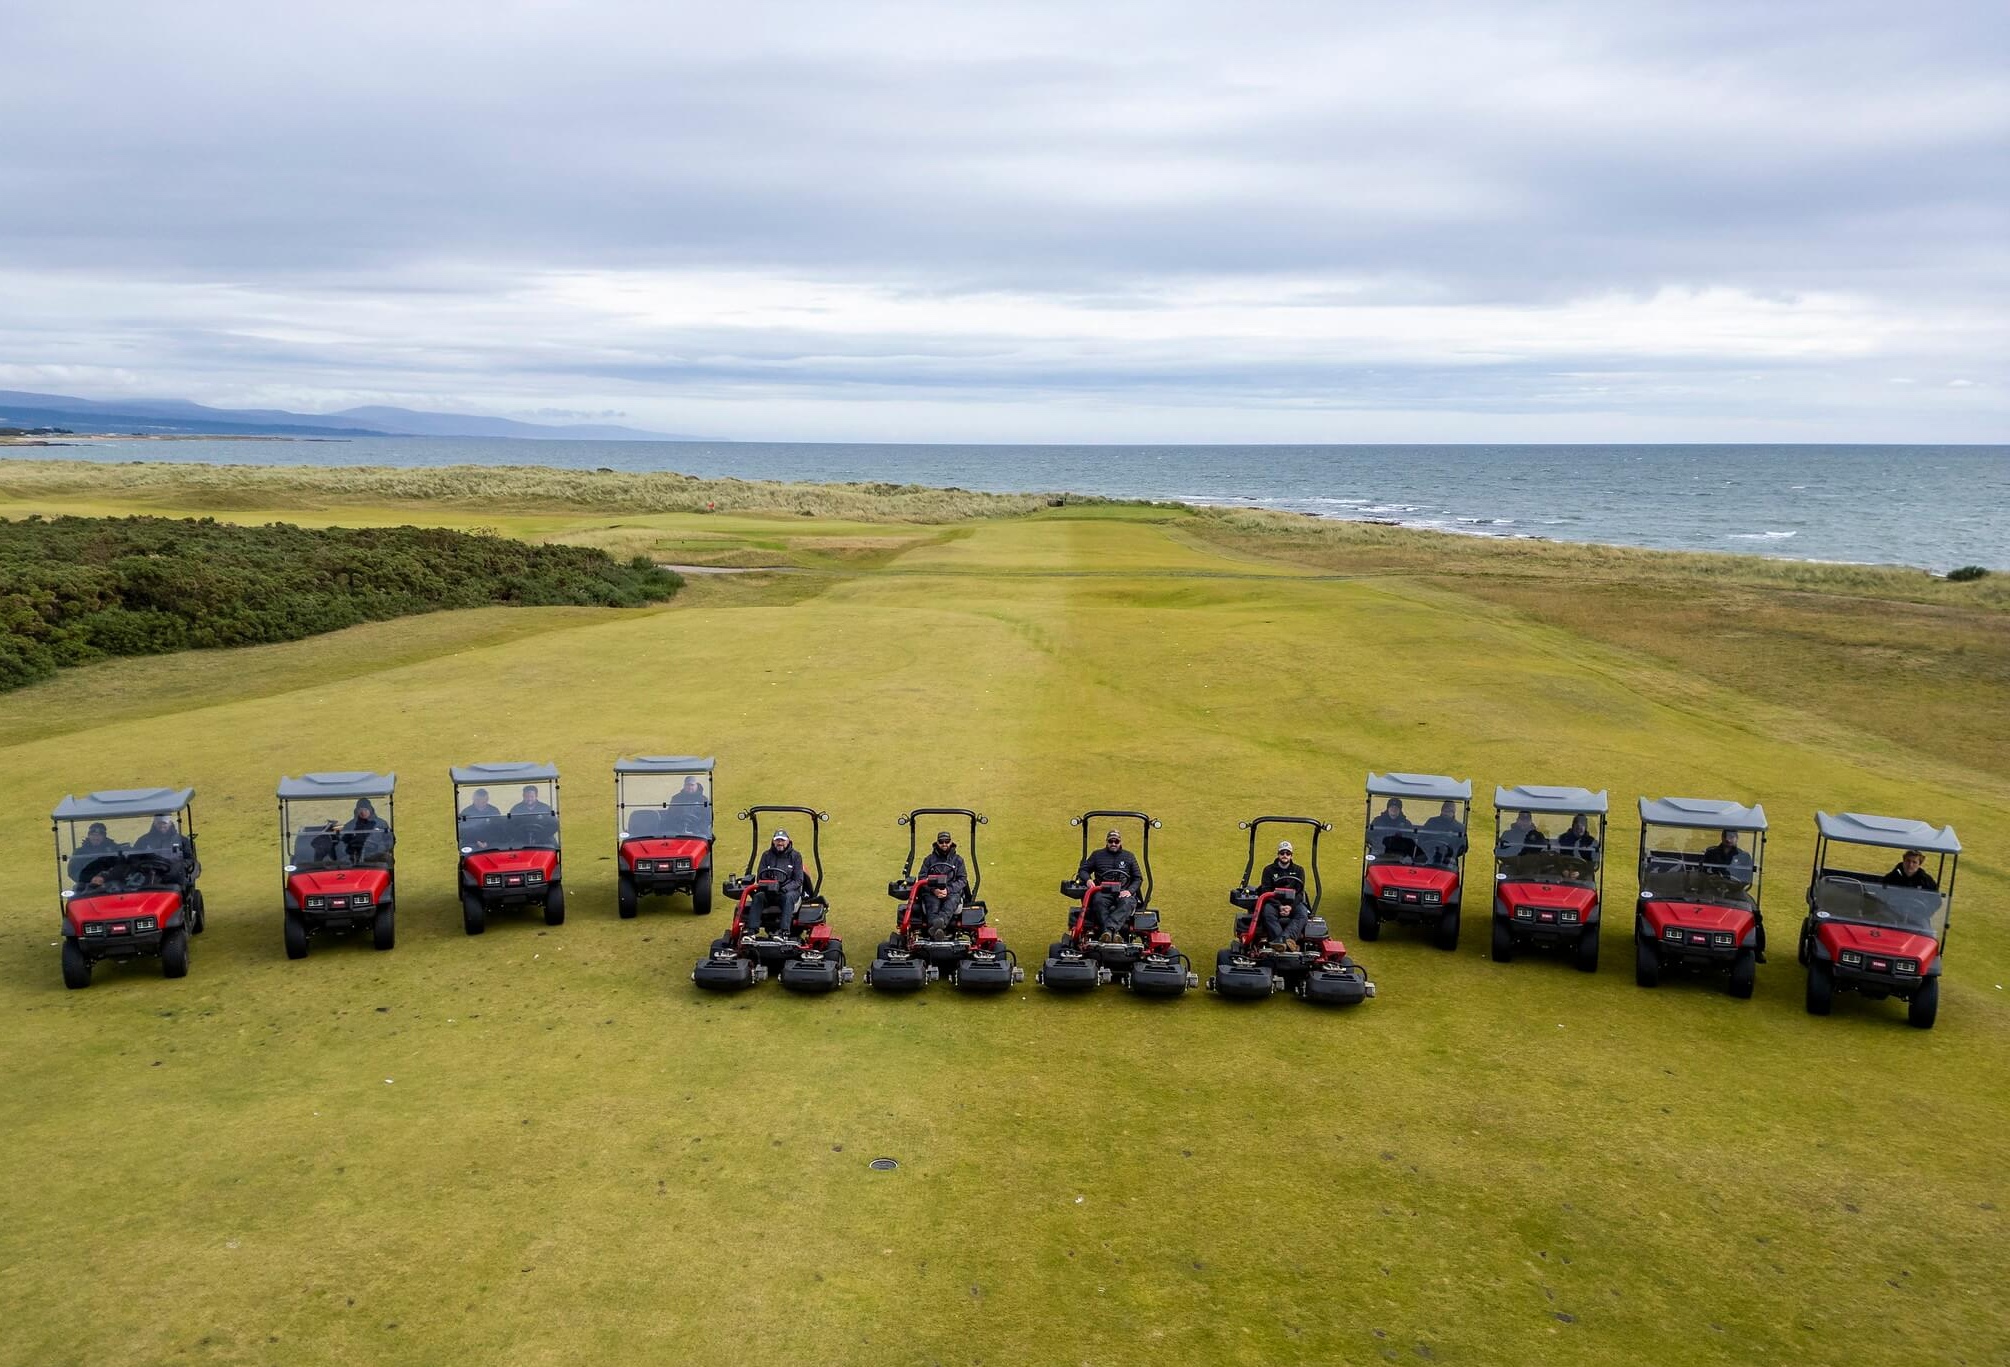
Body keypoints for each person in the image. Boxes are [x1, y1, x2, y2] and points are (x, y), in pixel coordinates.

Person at [1076, 827, 1143, 939]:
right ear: (1107, 842)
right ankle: (1114, 934)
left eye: (1116, 841)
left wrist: (1129, 891)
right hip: (1102, 891)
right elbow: (1083, 870)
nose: (1113, 844)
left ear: (1120, 842)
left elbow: (1138, 878)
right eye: (1111, 841)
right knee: (1098, 901)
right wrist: (1088, 880)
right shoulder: (1097, 855)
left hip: (1122, 892)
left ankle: (1108, 931)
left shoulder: (1129, 856)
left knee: (1127, 902)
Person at [747, 829, 810, 938]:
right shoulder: (766, 855)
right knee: (758, 897)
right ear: (773, 841)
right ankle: (751, 931)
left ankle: (784, 931)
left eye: (782, 840)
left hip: (788, 891)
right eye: (777, 840)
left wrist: (784, 888)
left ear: (788, 841)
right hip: (770, 891)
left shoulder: (795, 856)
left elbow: (798, 880)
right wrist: (769, 886)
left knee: (788, 898)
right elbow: (760, 876)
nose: (780, 843)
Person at [1256, 838, 1311, 949]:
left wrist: (1290, 907)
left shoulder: (1299, 870)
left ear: (1291, 855)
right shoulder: (1269, 870)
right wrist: (1280, 906)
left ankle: (1282, 941)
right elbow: (1266, 890)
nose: (1285, 855)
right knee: (1267, 913)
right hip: (1274, 902)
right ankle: (1287, 944)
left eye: (1288, 853)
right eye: (1282, 853)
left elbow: (1300, 892)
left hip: (1293, 903)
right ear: (1278, 854)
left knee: (1303, 914)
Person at [915, 830, 970, 938]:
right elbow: (922, 878)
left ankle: (935, 928)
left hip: (951, 891)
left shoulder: (958, 860)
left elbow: (962, 880)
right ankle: (940, 931)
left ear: (951, 842)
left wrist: (947, 890)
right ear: (937, 843)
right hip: (932, 892)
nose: (944, 844)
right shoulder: (929, 860)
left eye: (947, 841)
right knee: (932, 905)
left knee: (951, 903)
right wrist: (933, 890)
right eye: (941, 842)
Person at [1420, 800, 1467, 865]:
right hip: (1429, 855)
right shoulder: (1432, 822)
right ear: (1441, 811)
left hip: (1449, 859)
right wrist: (1427, 850)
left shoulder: (1459, 827)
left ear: (1453, 813)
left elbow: (1463, 847)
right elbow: (1421, 838)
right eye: (1445, 811)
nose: (1446, 813)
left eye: (1449, 811)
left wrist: (1453, 855)